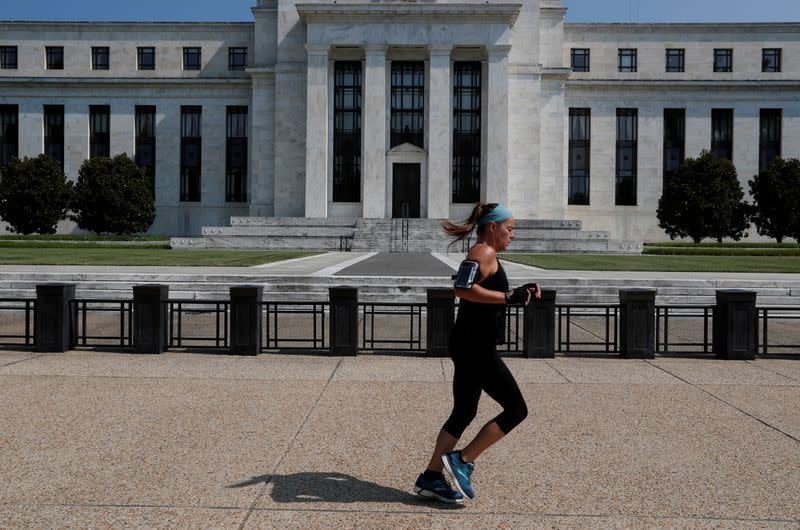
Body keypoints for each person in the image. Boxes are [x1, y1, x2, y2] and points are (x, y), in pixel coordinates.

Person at [412, 203, 541, 503]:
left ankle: (430, 478)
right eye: (509, 229)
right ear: (492, 227)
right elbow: (461, 287)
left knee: (464, 411)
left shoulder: (486, 254)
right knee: (517, 410)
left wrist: (520, 292)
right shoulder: (483, 252)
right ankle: (463, 460)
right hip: (476, 347)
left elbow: (486, 292)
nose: (513, 235)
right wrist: (508, 296)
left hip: (469, 343)